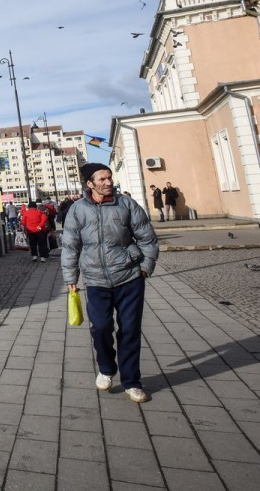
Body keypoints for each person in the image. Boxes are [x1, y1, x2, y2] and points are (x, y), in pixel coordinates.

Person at [63, 163, 159, 404]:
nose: (108, 183)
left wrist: (145, 267)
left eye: (109, 178)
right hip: (96, 280)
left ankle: (132, 382)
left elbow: (147, 237)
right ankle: (106, 368)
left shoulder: (126, 204)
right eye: (102, 179)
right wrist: (71, 278)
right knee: (101, 328)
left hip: (129, 278)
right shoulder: (77, 210)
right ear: (90, 184)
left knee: (129, 330)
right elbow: (70, 245)